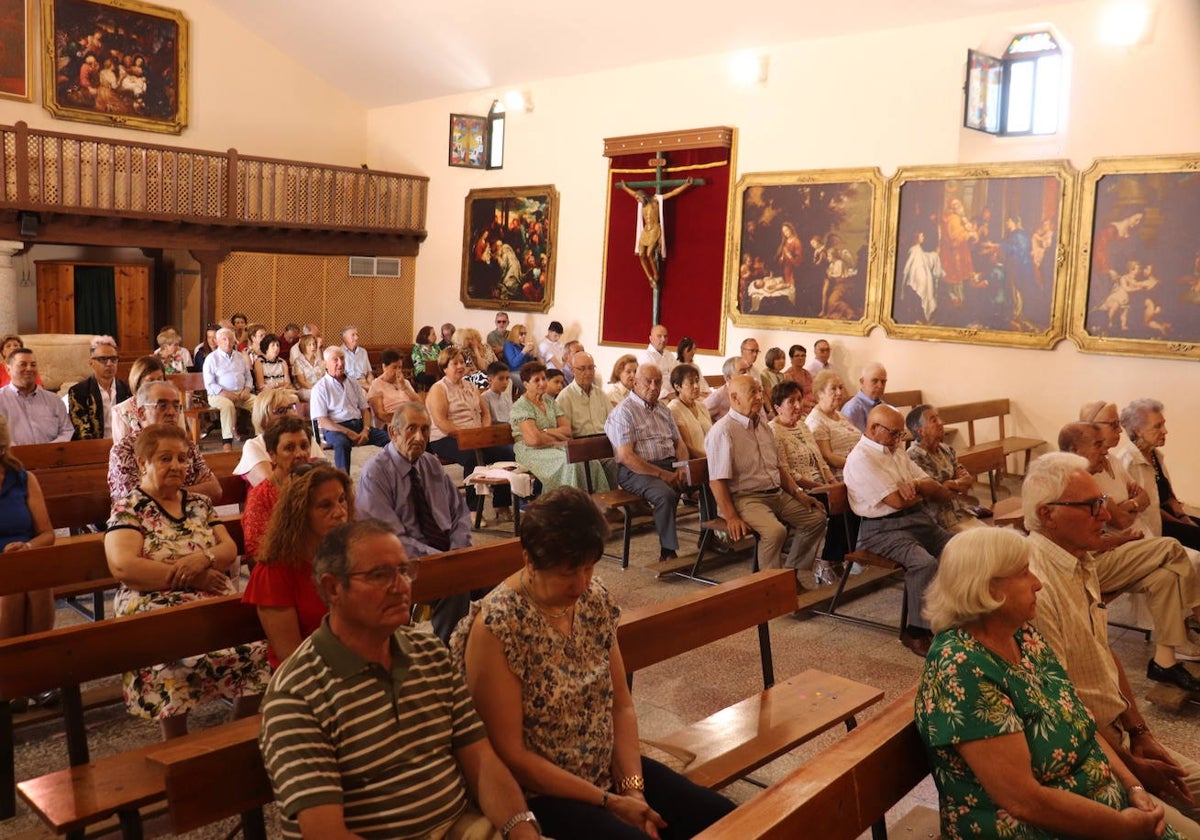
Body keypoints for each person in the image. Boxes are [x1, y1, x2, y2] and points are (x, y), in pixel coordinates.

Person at [450, 487, 735, 839]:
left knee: (727, 819)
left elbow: (621, 706)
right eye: (568, 573)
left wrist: (632, 788)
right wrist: (608, 802)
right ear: (530, 560)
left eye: (588, 567)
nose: (581, 584)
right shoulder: (497, 626)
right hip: (542, 794)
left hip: (606, 770)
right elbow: (512, 755)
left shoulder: (594, 598)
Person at [259, 520, 542, 840]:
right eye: (380, 575)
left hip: (460, 827)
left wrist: (520, 826)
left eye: (405, 570)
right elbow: (325, 833)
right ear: (333, 588)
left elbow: (480, 759)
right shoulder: (297, 693)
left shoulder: (429, 651)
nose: (401, 586)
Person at [916, 527, 1184, 840]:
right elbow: (1023, 801)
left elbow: (1081, 725)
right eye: (1023, 573)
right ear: (987, 589)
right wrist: (1123, 828)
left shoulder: (1023, 636)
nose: (1038, 583)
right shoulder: (961, 668)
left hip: (1103, 811)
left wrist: (1133, 787)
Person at [1023, 453, 1200, 835]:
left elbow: (1104, 653)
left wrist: (1141, 733)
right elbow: (1064, 711)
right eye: (1091, 506)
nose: (1105, 515)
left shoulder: (1081, 561)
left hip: (1120, 739)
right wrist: (1134, 771)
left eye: (1102, 502)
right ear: (1047, 514)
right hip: (1088, 754)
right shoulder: (1035, 586)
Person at [104, 424, 269, 739]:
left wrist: (203, 561)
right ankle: (176, 742)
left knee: (258, 648)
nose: (177, 466)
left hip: (206, 596)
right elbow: (124, 567)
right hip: (151, 604)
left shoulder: (198, 504)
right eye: (165, 458)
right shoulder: (129, 507)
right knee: (172, 664)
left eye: (182, 459)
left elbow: (227, 548)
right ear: (143, 464)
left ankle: (238, 730)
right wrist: (191, 576)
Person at [1058, 422, 1200, 676]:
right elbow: (1092, 538)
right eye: (1098, 445)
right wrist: (1120, 537)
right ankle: (1198, 615)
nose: (1105, 450)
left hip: (1104, 555)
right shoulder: (1067, 485)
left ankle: (1164, 662)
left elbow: (1124, 512)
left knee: (1164, 577)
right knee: (1170, 547)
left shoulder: (1089, 479)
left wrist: (1124, 520)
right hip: (1082, 569)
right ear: (1073, 449)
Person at [357, 403, 476, 643]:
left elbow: (460, 514)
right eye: (411, 429)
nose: (420, 437)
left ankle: (485, 650)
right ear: (393, 432)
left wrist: (457, 551)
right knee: (456, 588)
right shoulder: (375, 473)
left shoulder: (430, 463)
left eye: (425, 430)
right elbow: (391, 540)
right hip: (403, 565)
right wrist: (443, 561)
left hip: (448, 554)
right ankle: (447, 655)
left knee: (499, 573)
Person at [843, 404, 953, 656]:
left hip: (916, 519)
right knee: (923, 564)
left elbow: (931, 485)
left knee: (960, 548)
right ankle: (915, 632)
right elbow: (896, 501)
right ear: (873, 428)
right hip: (882, 530)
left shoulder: (896, 449)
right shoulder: (861, 458)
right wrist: (919, 491)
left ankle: (949, 615)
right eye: (894, 433)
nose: (899, 439)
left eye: (900, 434)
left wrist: (915, 485)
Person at [706, 376, 827, 587]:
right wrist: (731, 516)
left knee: (816, 518)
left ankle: (790, 575)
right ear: (734, 397)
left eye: (760, 391)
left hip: (776, 493)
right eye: (752, 392)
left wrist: (799, 494)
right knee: (775, 531)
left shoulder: (762, 425)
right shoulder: (723, 431)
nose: (759, 397)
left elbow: (779, 467)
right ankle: (773, 588)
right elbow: (716, 481)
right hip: (746, 498)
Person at [244, 462, 351, 667]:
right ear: (300, 513)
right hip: (306, 680)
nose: (340, 512)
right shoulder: (273, 573)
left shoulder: (350, 556)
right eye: (325, 505)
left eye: (342, 500)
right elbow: (291, 658)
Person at [605, 364, 689, 564]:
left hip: (669, 465)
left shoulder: (663, 410)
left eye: (658, 382)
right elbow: (626, 456)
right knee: (665, 494)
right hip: (636, 471)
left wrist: (683, 466)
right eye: (647, 382)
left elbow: (679, 443)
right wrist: (663, 475)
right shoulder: (624, 412)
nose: (653, 387)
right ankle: (667, 552)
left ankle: (710, 539)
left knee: (709, 480)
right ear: (635, 383)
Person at [770, 381, 843, 584]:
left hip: (820, 484)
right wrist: (819, 487)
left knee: (848, 503)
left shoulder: (802, 424)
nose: (797, 405)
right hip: (797, 489)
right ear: (777, 407)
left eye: (799, 400)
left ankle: (833, 557)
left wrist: (832, 481)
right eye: (790, 401)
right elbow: (786, 470)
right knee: (826, 509)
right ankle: (811, 565)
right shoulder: (774, 431)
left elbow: (819, 459)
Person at [427, 346, 513, 517]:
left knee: (507, 453)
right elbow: (441, 422)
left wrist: (483, 432)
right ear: (444, 367)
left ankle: (501, 505)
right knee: (472, 457)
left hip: (474, 437)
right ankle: (473, 510)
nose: (460, 366)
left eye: (462, 362)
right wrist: (467, 436)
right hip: (446, 438)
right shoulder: (439, 389)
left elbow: (485, 413)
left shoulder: (470, 385)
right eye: (455, 363)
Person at [108, 380, 222, 502]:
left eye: (176, 406)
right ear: (142, 413)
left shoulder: (187, 445)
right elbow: (132, 502)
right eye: (162, 406)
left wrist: (162, 493)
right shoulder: (125, 449)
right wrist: (192, 490)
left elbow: (215, 491)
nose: (171, 412)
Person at [0, 415, 55, 650]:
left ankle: (37, 665)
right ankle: (12, 670)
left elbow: (47, 534)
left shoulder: (23, 479)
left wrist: (27, 547)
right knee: (11, 589)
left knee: (38, 582)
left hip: (24, 558)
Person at [1118, 399, 1200, 551]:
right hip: (1153, 526)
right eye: (1158, 426)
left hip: (1170, 517)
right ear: (1138, 431)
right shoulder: (1128, 462)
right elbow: (1149, 509)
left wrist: (1184, 517)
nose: (1165, 431)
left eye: (1163, 424)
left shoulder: (1155, 454)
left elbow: (1169, 496)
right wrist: (1181, 523)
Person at [511, 361, 603, 493]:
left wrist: (544, 431)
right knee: (571, 464)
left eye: (543, 378)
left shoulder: (550, 402)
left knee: (592, 462)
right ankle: (567, 506)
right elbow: (533, 441)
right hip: (530, 452)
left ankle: (594, 504)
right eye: (536, 380)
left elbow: (567, 432)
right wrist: (555, 436)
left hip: (555, 447)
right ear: (526, 385)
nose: (542, 383)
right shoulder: (521, 406)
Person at [240, 415, 317, 562]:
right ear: (272, 455)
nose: (300, 454)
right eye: (289, 448)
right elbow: (256, 553)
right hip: (283, 570)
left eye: (304, 446)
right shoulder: (262, 496)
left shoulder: (320, 485)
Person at [310, 346, 389, 473]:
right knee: (342, 444)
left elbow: (365, 410)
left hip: (358, 425)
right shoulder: (320, 388)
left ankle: (390, 475)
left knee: (388, 439)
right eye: (335, 360)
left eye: (342, 359)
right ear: (326, 364)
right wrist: (348, 432)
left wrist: (366, 429)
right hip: (335, 428)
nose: (340, 363)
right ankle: (344, 481)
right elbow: (323, 421)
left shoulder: (353, 382)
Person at [906, 404, 979, 530]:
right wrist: (956, 485)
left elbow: (968, 481)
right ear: (921, 431)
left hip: (959, 513)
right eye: (934, 420)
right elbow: (939, 494)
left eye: (939, 418)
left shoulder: (945, 449)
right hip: (938, 522)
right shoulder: (915, 455)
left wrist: (950, 484)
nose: (941, 422)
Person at [233, 389, 322, 488]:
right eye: (280, 410)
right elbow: (270, 486)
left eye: (291, 407)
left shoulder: (304, 439)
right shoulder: (255, 445)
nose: (290, 414)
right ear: (263, 419)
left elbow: (325, 474)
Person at [617, 178, 695, 287]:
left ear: (643, 196)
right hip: (646, 231)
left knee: (649, 254)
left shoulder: (656, 201)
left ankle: (656, 274)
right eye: (636, 199)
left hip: (654, 229)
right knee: (641, 254)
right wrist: (625, 187)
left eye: (638, 198)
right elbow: (633, 193)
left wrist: (686, 185)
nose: (637, 200)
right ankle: (650, 277)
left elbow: (673, 193)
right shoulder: (642, 205)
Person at [66, 336, 131, 440]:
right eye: (103, 359)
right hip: (94, 448)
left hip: (123, 446)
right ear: (91, 363)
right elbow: (83, 432)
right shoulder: (78, 392)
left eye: (113, 359)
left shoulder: (127, 390)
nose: (109, 364)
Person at [202, 327, 255, 451]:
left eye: (230, 339)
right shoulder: (211, 358)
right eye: (224, 339)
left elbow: (248, 377)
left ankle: (260, 437)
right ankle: (227, 442)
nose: (227, 342)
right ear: (217, 341)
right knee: (228, 406)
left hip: (241, 394)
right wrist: (225, 393)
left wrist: (247, 389)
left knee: (259, 403)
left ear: (234, 341)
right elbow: (209, 383)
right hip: (218, 395)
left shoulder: (240, 357)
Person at [804, 370, 861, 479]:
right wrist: (858, 465)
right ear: (820, 393)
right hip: (841, 477)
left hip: (858, 470)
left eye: (840, 387)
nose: (839, 393)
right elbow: (827, 457)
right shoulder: (816, 421)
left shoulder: (841, 416)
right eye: (833, 388)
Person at [111, 355, 167, 444]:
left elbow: (180, 438)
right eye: (150, 380)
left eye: (160, 379)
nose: (157, 385)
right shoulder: (121, 411)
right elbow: (121, 450)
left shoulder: (172, 405)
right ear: (138, 382)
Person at [556, 351, 611, 438]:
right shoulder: (565, 397)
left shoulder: (600, 394)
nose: (588, 373)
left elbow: (613, 422)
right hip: (580, 445)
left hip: (605, 442)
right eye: (582, 369)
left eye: (591, 368)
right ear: (572, 370)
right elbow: (565, 434)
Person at [667, 363, 711, 460]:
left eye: (697, 381)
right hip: (696, 462)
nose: (696, 386)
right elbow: (687, 447)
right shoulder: (674, 409)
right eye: (691, 383)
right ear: (677, 387)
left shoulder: (701, 406)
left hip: (711, 458)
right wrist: (710, 459)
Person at [366, 348, 420, 427]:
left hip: (411, 418)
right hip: (392, 422)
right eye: (394, 367)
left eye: (400, 367)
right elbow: (380, 414)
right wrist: (404, 418)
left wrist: (405, 388)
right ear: (384, 367)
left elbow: (420, 404)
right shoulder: (376, 385)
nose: (398, 371)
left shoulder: (405, 382)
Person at [841, 362, 888, 433]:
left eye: (883, 382)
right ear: (862, 382)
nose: (880, 386)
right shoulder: (851, 409)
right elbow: (849, 441)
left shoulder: (884, 406)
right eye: (875, 381)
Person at [702, 356, 751, 425]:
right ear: (729, 377)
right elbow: (700, 414)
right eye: (743, 372)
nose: (748, 375)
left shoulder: (750, 391)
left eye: (749, 370)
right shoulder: (719, 396)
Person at [636, 324, 675, 389]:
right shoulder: (646, 356)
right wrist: (668, 395)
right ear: (651, 338)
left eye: (665, 336)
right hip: (657, 395)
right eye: (659, 336)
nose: (663, 339)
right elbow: (650, 383)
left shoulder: (669, 355)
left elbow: (676, 377)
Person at [290, 333, 323, 401]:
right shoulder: (298, 361)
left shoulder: (319, 360)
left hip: (319, 388)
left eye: (314, 344)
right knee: (318, 395)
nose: (313, 347)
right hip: (304, 389)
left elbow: (323, 378)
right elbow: (302, 382)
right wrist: (316, 388)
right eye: (309, 345)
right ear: (303, 347)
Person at [784, 344, 816, 414]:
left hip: (813, 407)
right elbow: (794, 398)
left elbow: (813, 391)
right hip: (799, 409)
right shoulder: (788, 376)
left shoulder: (807, 373)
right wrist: (812, 405)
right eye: (797, 356)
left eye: (803, 356)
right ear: (791, 358)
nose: (800, 358)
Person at [412, 325, 440, 390]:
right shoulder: (417, 348)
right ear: (426, 336)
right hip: (422, 371)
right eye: (433, 334)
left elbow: (441, 358)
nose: (435, 336)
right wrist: (428, 369)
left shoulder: (436, 347)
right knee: (432, 378)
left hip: (437, 370)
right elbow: (417, 362)